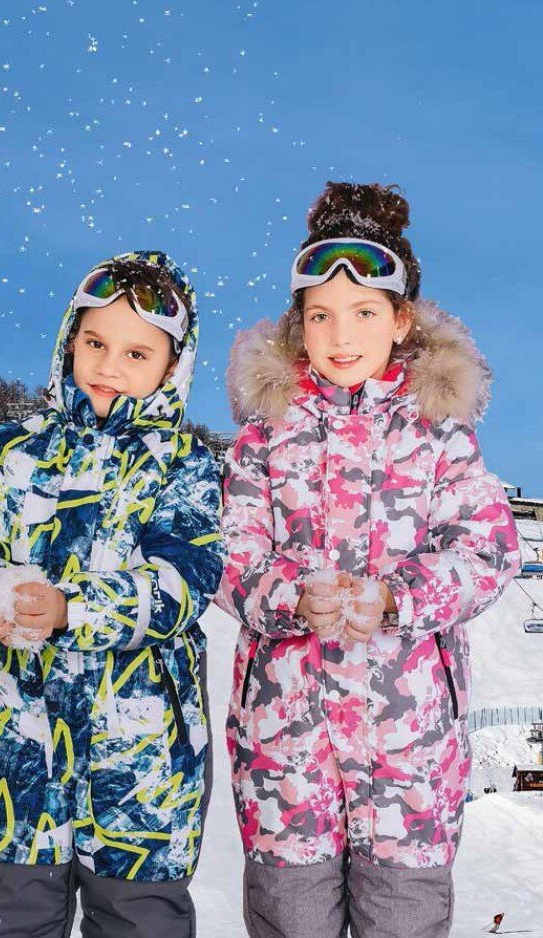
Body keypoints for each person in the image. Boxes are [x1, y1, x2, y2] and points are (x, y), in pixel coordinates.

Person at [216, 183, 520, 938]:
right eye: (320, 315)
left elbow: (488, 547)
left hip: (408, 751)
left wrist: (397, 598)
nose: (340, 335)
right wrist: (288, 596)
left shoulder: (438, 431)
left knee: (403, 919)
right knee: (291, 917)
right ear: (299, 322)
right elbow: (227, 552)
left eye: (362, 313)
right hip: (285, 745)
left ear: (400, 319)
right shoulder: (266, 434)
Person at [0, 251, 225, 938]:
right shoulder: (12, 449)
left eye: (135, 353)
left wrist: (74, 609)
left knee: (139, 921)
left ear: (171, 366)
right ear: (69, 340)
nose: (108, 366)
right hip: (18, 756)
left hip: (142, 767)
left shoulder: (183, 465)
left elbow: (184, 580)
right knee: (4, 915)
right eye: (94, 343)